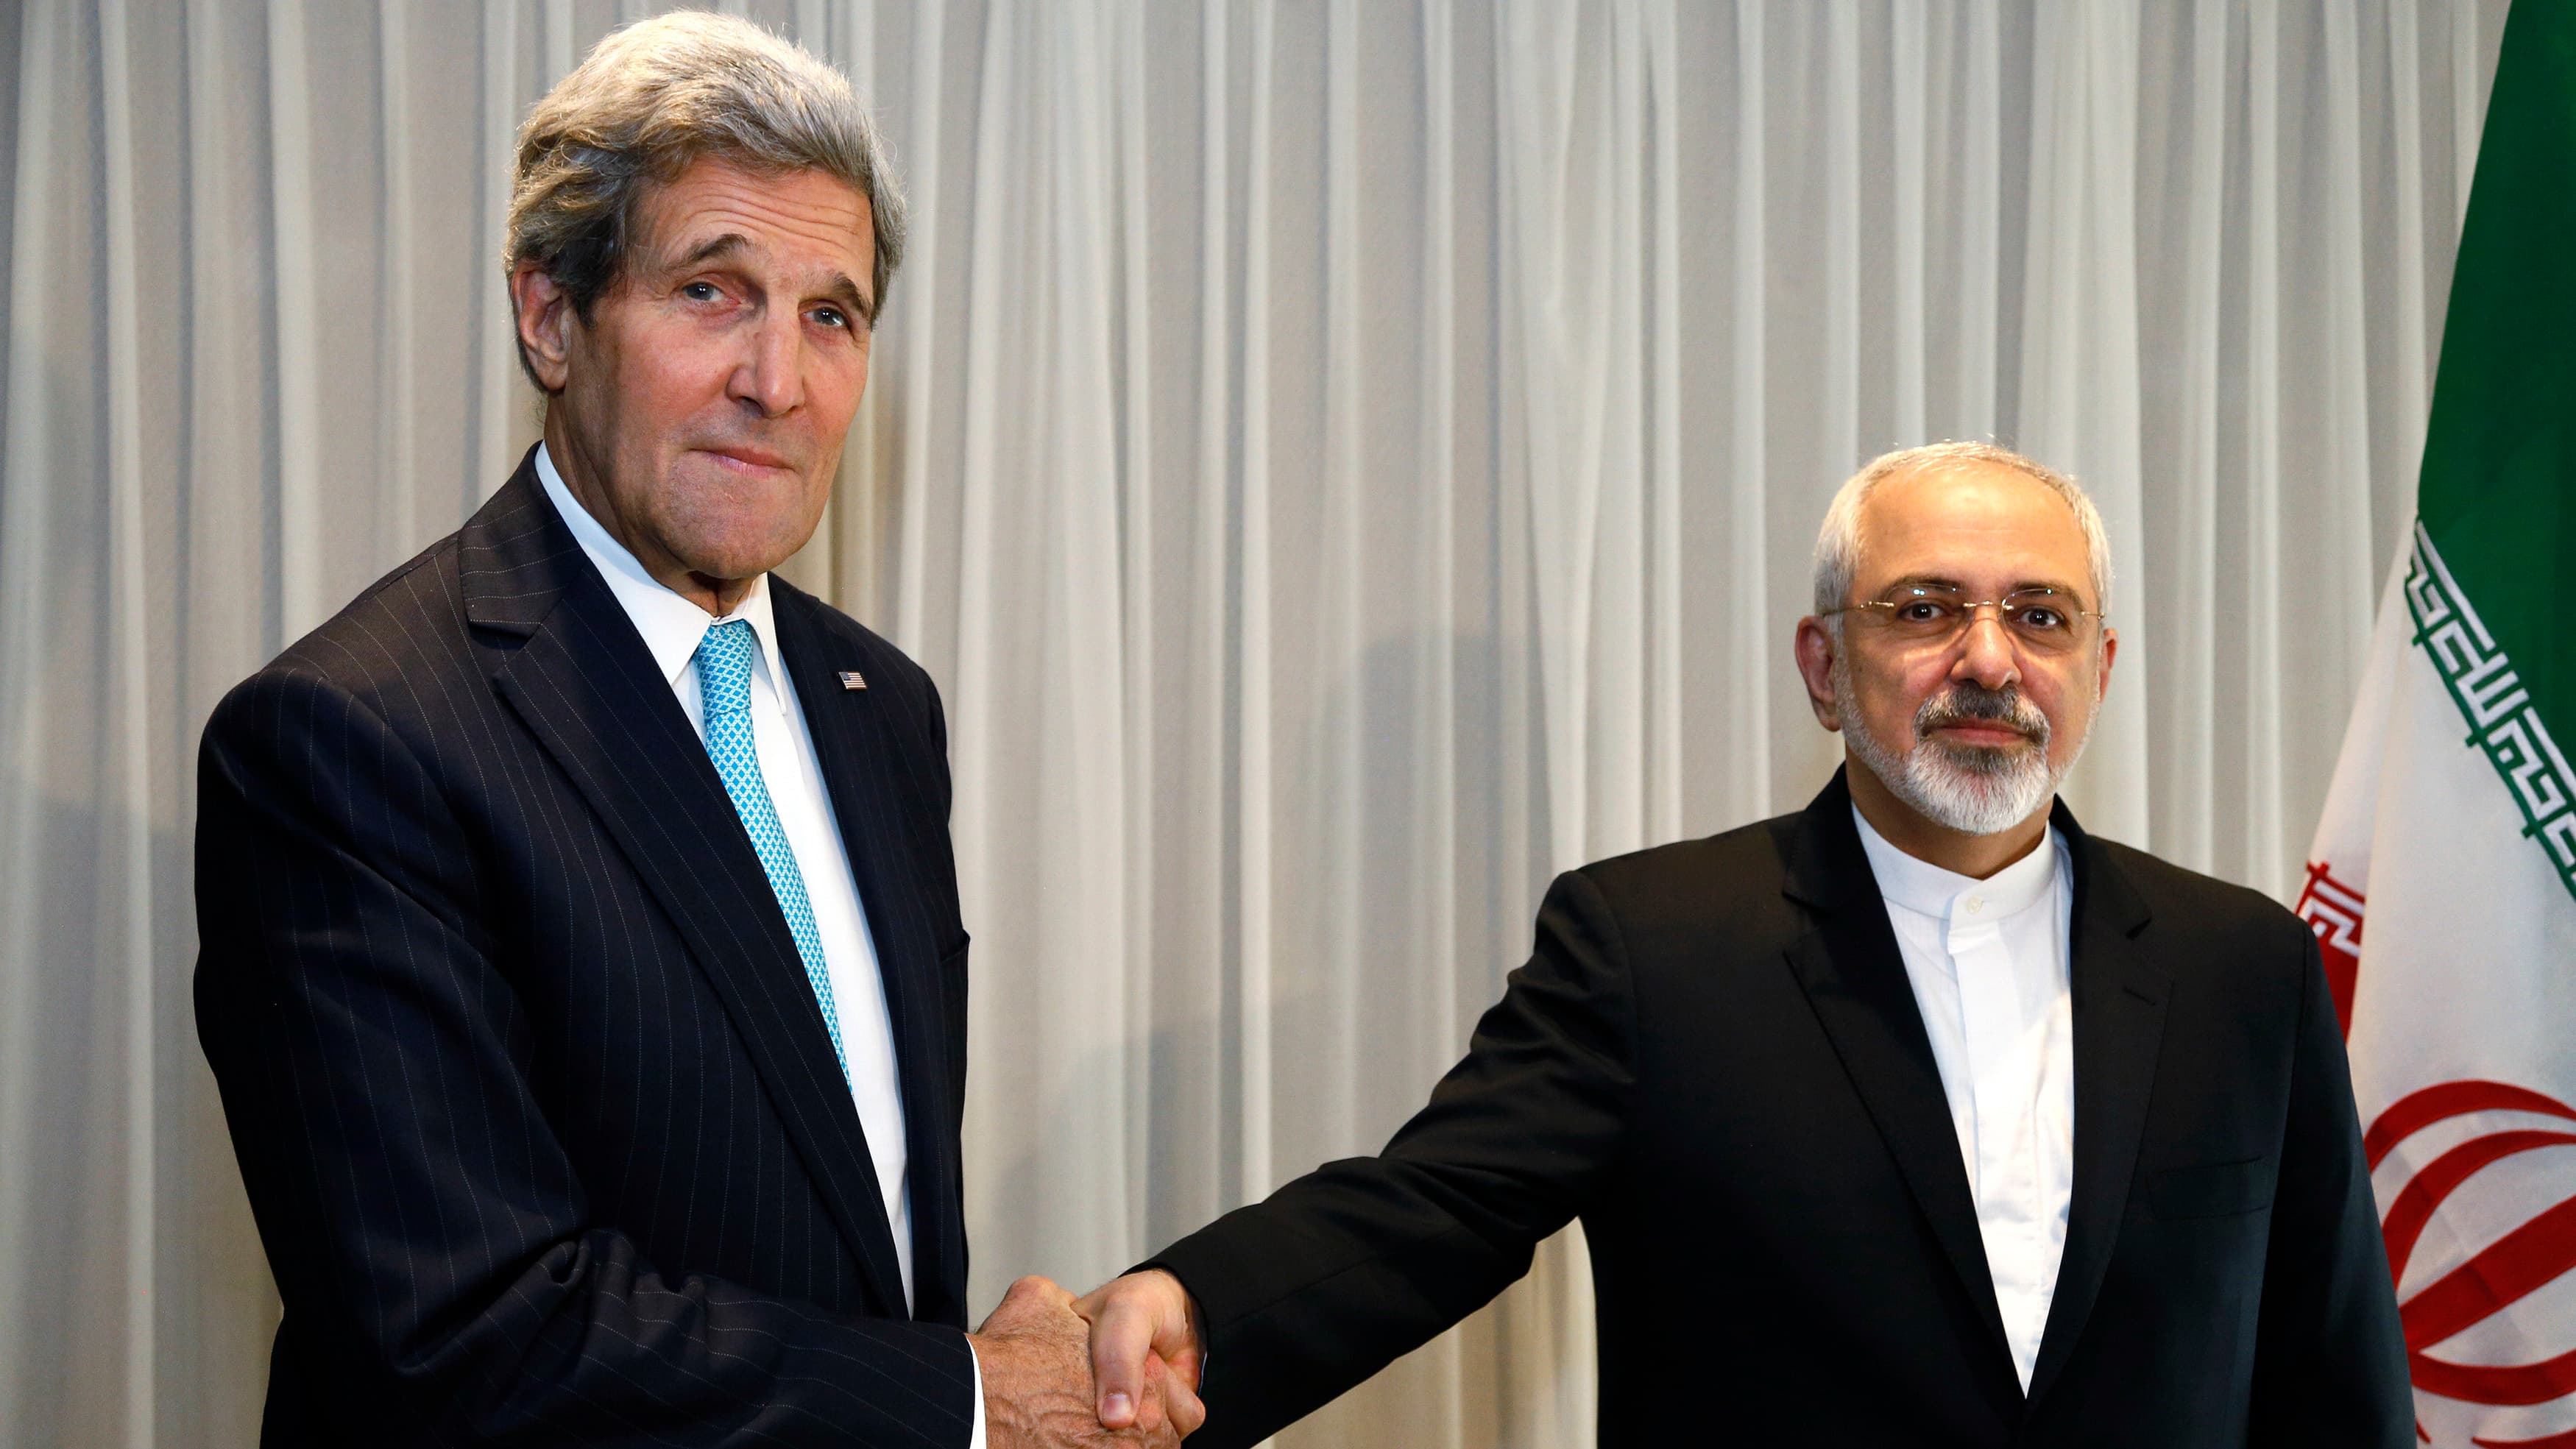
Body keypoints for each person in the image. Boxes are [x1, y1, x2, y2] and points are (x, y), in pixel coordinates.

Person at [194, 15, 1187, 1448]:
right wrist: (969, 1398)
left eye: (829, 314)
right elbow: (465, 1336)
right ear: (551, 317)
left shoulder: (881, 706)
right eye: (713, 291)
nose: (775, 380)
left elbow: (850, 1208)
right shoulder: (352, 737)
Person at [1078, 442, 2412, 1447]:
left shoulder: (2245, 968)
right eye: (1927, 607)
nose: (1989, 659)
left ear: (2102, 670)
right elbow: (1434, 1211)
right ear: (1825, 667)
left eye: (2040, 615)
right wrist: (1194, 1305)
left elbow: (2331, 1370)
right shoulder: (1654, 949)